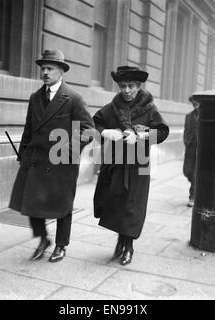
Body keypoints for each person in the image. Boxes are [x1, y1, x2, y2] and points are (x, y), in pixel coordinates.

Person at [9, 50, 94, 262]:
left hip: (62, 162)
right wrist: (23, 153)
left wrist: (69, 150)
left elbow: (88, 130)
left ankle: (61, 245)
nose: (45, 73)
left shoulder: (74, 98)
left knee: (63, 205)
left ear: (61, 72)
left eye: (50, 69)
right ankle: (43, 239)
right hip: (36, 161)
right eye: (43, 69)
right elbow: (29, 129)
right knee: (30, 202)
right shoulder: (35, 97)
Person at [93, 66, 170, 266]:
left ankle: (128, 247)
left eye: (131, 86)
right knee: (117, 204)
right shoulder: (112, 107)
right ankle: (121, 239)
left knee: (132, 207)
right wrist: (107, 133)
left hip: (138, 164)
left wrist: (142, 136)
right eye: (123, 86)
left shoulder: (149, 108)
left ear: (138, 87)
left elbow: (162, 132)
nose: (127, 90)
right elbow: (96, 122)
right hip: (115, 163)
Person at [183, 96, 199, 208]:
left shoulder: (206, 116)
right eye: (193, 102)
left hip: (201, 149)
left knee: (195, 173)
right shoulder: (189, 116)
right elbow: (186, 131)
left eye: (196, 102)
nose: (194, 104)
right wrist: (187, 142)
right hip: (190, 148)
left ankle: (192, 196)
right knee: (187, 171)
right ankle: (197, 186)